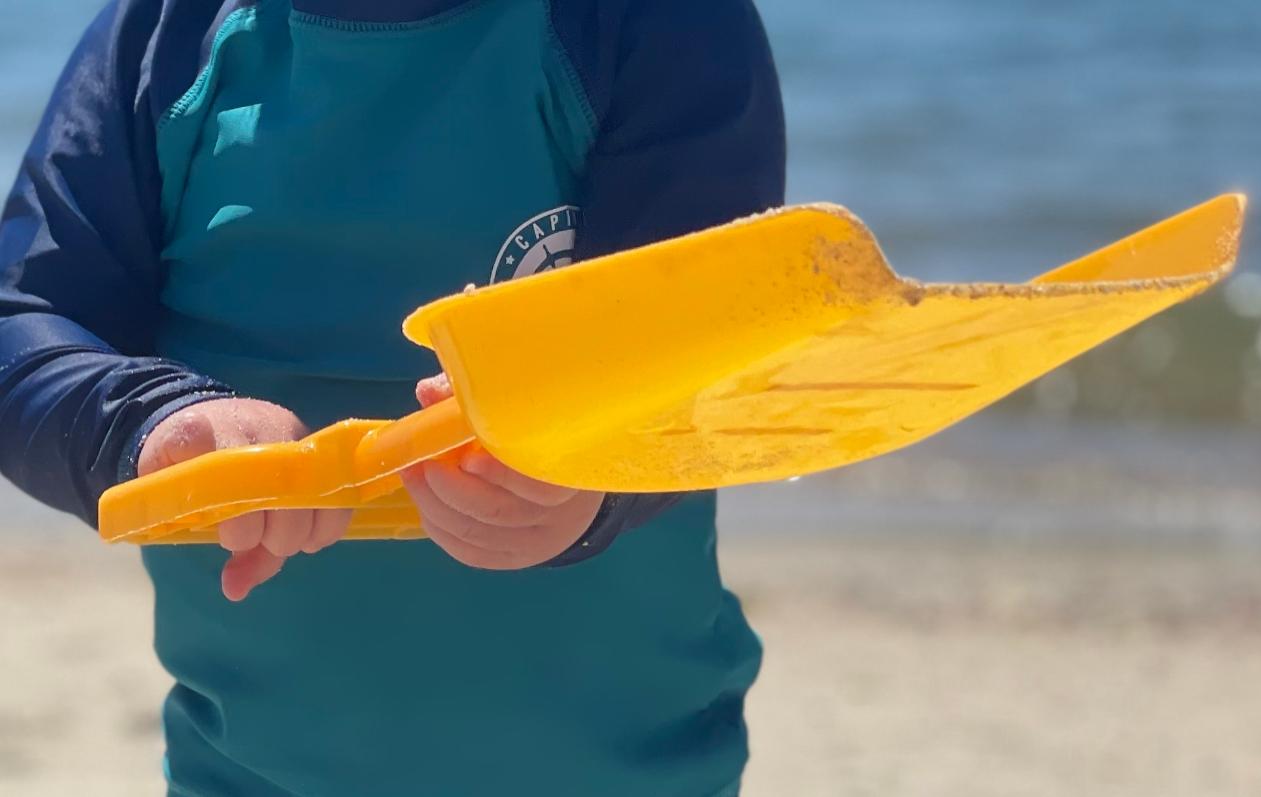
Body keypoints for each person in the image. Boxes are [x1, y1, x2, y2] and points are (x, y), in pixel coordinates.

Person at [0, 0, 785, 794]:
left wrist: (599, 472)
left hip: (630, 765)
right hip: (249, 771)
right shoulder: (168, 36)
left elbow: (722, 346)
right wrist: (151, 417)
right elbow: (26, 327)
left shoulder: (657, 22)